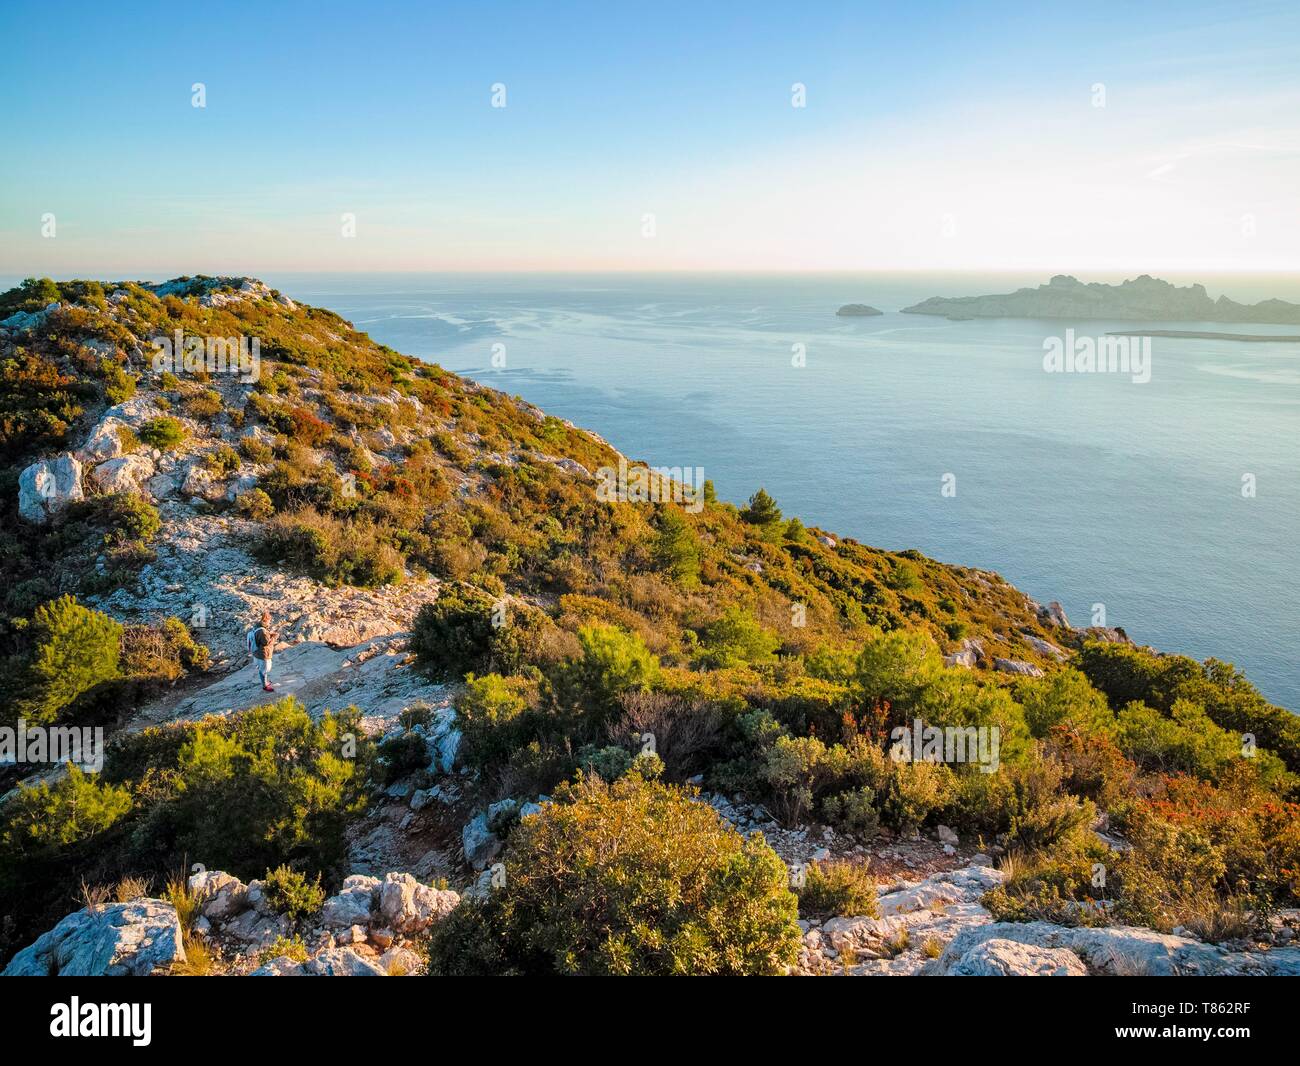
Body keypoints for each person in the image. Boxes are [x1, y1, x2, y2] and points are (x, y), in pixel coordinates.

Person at [247, 611, 279, 692]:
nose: (270, 622)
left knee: (262, 668)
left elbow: (261, 638)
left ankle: (265, 681)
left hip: (257, 652)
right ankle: (265, 686)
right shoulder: (262, 631)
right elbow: (266, 642)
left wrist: (269, 634)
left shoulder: (257, 627)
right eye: (269, 620)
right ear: (265, 620)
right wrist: (274, 637)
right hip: (263, 653)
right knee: (265, 669)